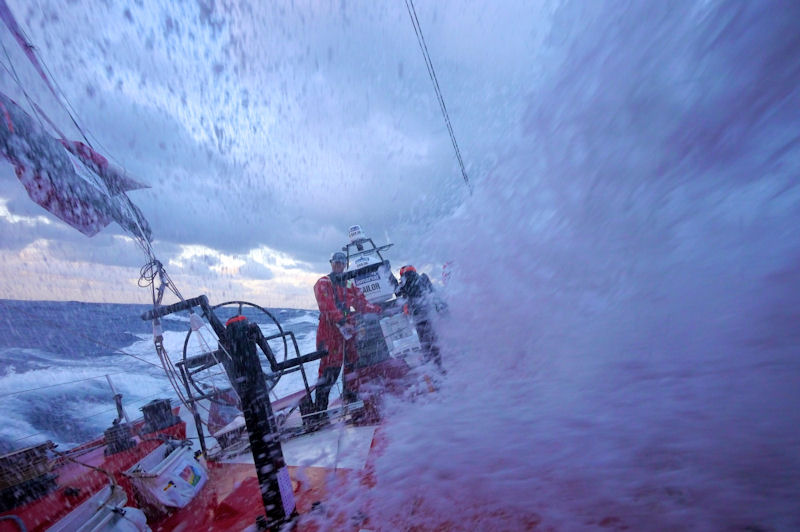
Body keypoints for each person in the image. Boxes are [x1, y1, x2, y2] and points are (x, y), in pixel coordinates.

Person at [313, 251, 382, 421]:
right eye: (336, 262)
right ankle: (318, 413)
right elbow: (327, 308)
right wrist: (343, 322)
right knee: (329, 371)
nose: (339, 265)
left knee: (352, 367)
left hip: (348, 332)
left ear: (345, 264)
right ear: (331, 263)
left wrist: (380, 311)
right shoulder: (323, 283)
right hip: (330, 332)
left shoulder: (349, 283)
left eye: (342, 262)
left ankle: (352, 404)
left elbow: (361, 303)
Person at [395, 265, 445, 373]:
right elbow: (433, 293)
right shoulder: (423, 278)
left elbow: (398, 294)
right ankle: (439, 364)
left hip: (418, 318)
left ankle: (432, 366)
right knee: (433, 339)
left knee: (425, 342)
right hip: (428, 314)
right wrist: (440, 308)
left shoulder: (404, 283)